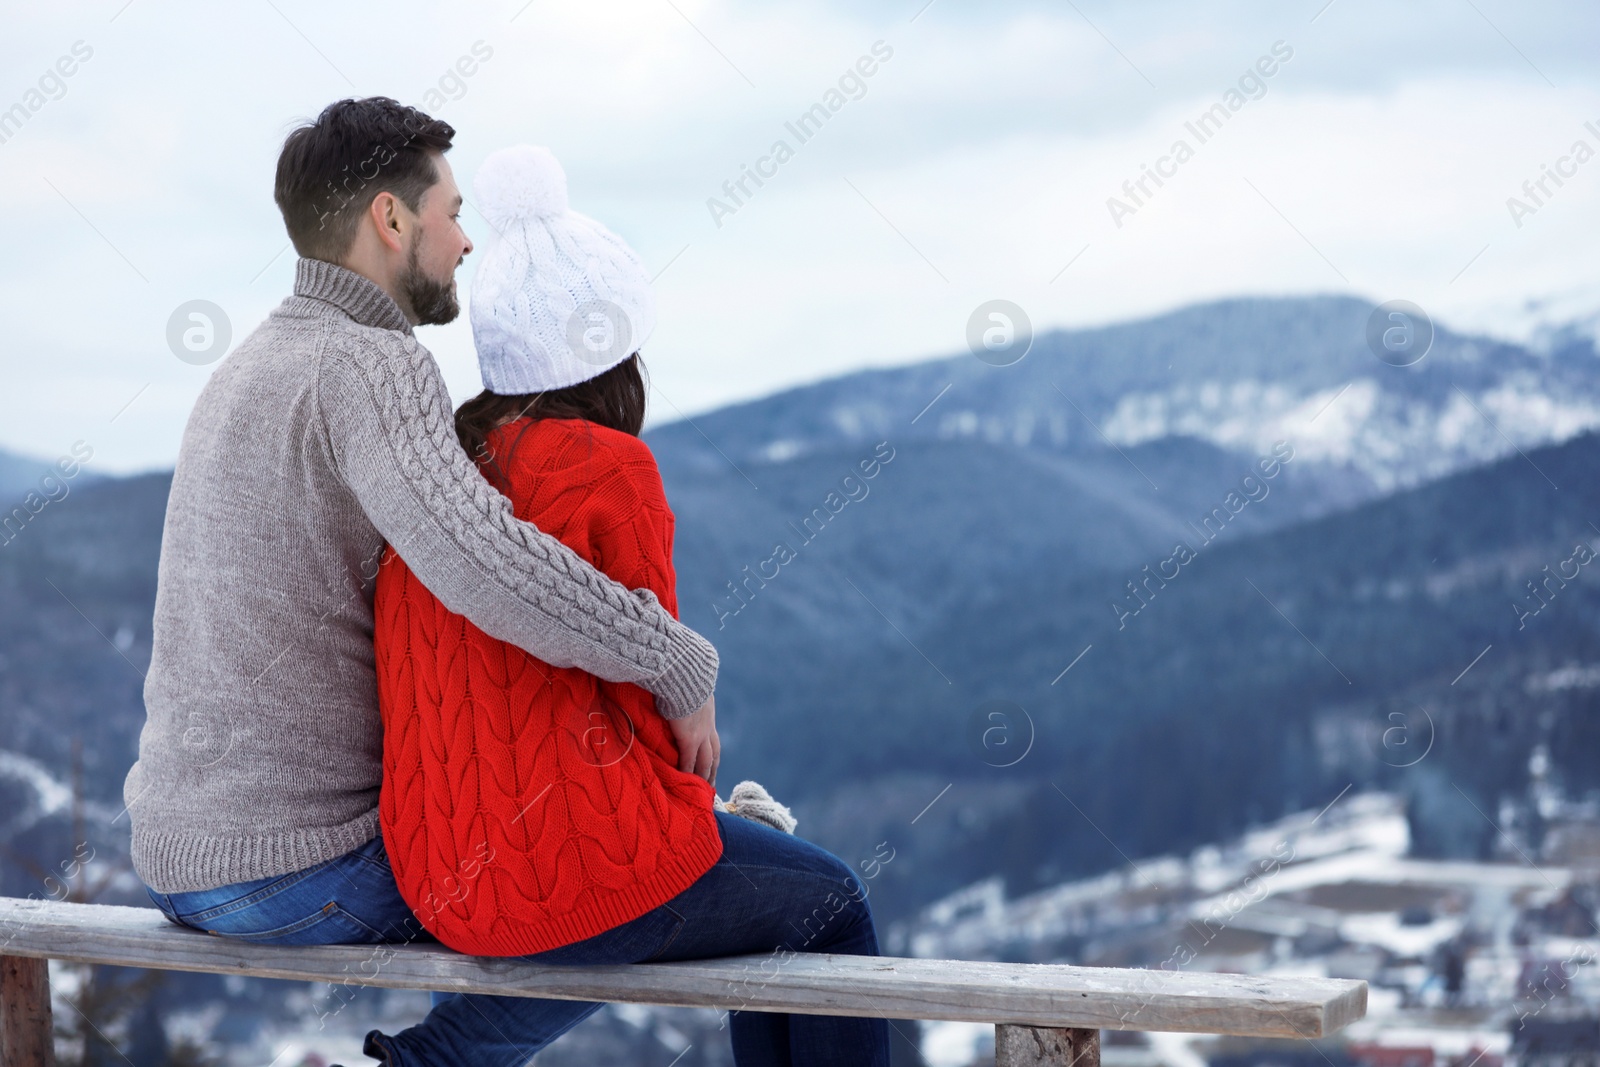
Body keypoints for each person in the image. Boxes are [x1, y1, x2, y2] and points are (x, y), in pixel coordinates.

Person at [127, 95, 718, 1038]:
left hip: (174, 857)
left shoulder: (246, 366)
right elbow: (487, 561)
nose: (467, 244)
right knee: (604, 888)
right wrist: (674, 658)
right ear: (391, 220)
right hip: (297, 871)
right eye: (451, 213)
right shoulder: (372, 363)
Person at [362, 144, 891, 1065]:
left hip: (437, 872)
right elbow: (659, 704)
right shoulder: (613, 468)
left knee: (723, 896)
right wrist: (703, 815)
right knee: (827, 903)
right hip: (559, 870)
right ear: (614, 352)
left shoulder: (439, 476)